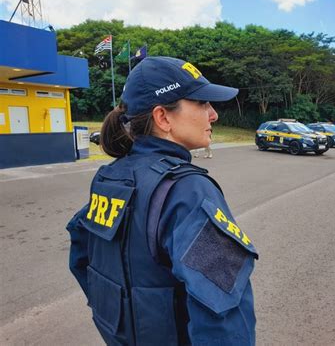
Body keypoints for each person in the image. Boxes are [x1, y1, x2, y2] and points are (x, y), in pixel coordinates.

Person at [66, 56, 258, 345]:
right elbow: (222, 312)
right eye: (202, 103)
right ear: (163, 117)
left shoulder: (111, 176)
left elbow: (82, 260)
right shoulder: (188, 190)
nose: (213, 114)